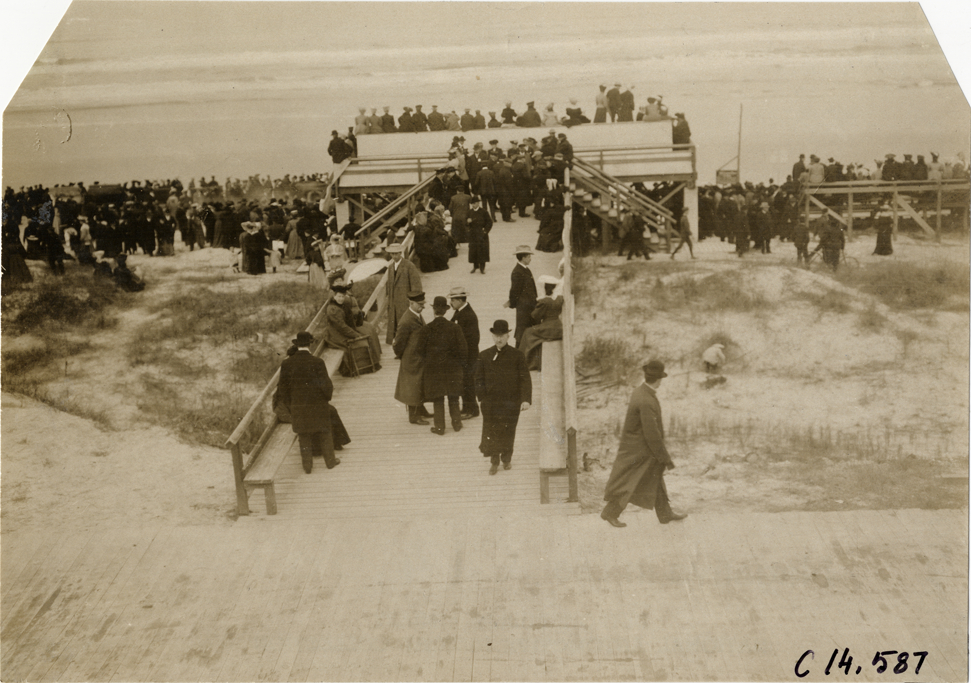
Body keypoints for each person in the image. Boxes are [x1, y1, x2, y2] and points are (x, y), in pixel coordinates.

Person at [601, 359, 687, 527]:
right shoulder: (646, 400)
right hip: (640, 450)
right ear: (659, 379)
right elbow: (652, 433)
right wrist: (664, 457)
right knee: (630, 482)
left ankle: (665, 513)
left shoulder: (640, 392)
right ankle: (609, 512)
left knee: (654, 477)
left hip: (639, 448)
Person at [274, 330, 340, 474]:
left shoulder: (287, 364)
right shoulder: (318, 362)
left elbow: (282, 390)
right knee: (325, 432)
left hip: (298, 406)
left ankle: (307, 466)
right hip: (318, 405)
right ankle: (330, 462)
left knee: (303, 435)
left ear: (297, 345)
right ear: (310, 345)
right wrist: (325, 399)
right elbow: (327, 385)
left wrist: (292, 404)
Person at [475, 320, 532, 475]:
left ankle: (506, 458)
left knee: (508, 430)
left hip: (511, 402)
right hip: (491, 403)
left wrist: (525, 399)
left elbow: (525, 378)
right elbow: (478, 379)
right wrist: (482, 398)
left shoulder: (517, 355)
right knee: (492, 431)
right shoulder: (484, 355)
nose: (499, 339)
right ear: (492, 336)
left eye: (502, 336)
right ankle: (494, 461)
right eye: (496, 336)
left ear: (508, 336)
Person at [416, 296, 467, 435]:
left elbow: (419, 350)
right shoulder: (455, 328)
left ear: (434, 310)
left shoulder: (426, 329)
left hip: (434, 370)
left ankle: (439, 427)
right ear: (445, 310)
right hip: (452, 368)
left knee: (438, 398)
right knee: (454, 397)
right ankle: (456, 424)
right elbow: (463, 350)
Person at [321, 284, 382, 370]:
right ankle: (361, 368)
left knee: (366, 335)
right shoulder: (333, 309)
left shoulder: (340, 306)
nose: (341, 299)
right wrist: (356, 335)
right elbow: (342, 327)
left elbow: (347, 320)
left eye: (342, 296)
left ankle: (371, 363)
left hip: (341, 331)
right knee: (361, 341)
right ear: (334, 296)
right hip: (335, 335)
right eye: (339, 296)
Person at [393, 292, 430, 425]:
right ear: (411, 303)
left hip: (418, 358)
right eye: (420, 305)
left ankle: (421, 409)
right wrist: (404, 356)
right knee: (412, 387)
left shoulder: (416, 315)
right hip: (411, 360)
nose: (422, 307)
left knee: (419, 384)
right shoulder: (406, 320)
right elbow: (398, 343)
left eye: (423, 304)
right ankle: (414, 416)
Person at [519, 276, 563, 371]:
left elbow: (535, 316)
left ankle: (526, 361)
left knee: (528, 332)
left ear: (545, 288)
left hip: (548, 327)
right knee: (534, 333)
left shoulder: (544, 301)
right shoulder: (559, 299)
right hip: (558, 326)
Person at [448, 286, 480, 419]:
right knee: (465, 382)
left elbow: (473, 339)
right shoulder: (460, 312)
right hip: (464, 356)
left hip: (468, 357)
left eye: (453, 300)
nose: (451, 303)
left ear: (461, 300)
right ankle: (468, 407)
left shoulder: (468, 315)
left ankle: (471, 410)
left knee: (468, 383)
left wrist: (463, 357)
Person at [384, 242, 423, 344]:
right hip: (394, 304)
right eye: (392, 254)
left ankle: (410, 349)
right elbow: (389, 286)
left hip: (405, 302)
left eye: (396, 253)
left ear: (400, 253)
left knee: (408, 326)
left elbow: (416, 285)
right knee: (397, 328)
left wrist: (414, 302)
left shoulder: (409, 265)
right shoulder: (391, 267)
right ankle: (400, 349)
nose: (394, 256)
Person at [505, 244, 538, 347]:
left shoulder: (525, 269)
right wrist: (513, 303)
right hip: (524, 308)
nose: (530, 259)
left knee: (526, 330)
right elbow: (514, 291)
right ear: (523, 258)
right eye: (529, 257)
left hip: (529, 306)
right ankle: (519, 352)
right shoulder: (517, 272)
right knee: (521, 332)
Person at [467, 196, 492, 274]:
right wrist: (468, 222)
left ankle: (482, 268)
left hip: (482, 234)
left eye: (475, 203)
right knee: (473, 251)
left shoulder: (484, 212)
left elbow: (489, 222)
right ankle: (475, 266)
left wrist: (485, 231)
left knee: (482, 251)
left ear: (478, 203)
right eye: (472, 204)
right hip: (473, 234)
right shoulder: (469, 212)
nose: (473, 205)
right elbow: (466, 223)